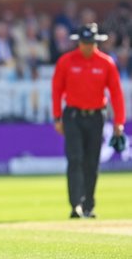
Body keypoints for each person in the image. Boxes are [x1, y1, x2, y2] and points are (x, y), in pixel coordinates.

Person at [52, 22, 125, 219]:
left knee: (92, 162)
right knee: (75, 159)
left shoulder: (106, 62)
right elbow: (57, 89)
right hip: (73, 116)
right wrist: (57, 117)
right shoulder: (66, 61)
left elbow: (116, 93)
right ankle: (75, 204)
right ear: (79, 43)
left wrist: (119, 121)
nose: (87, 46)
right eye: (84, 42)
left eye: (90, 43)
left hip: (96, 116)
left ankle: (88, 206)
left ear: (96, 43)